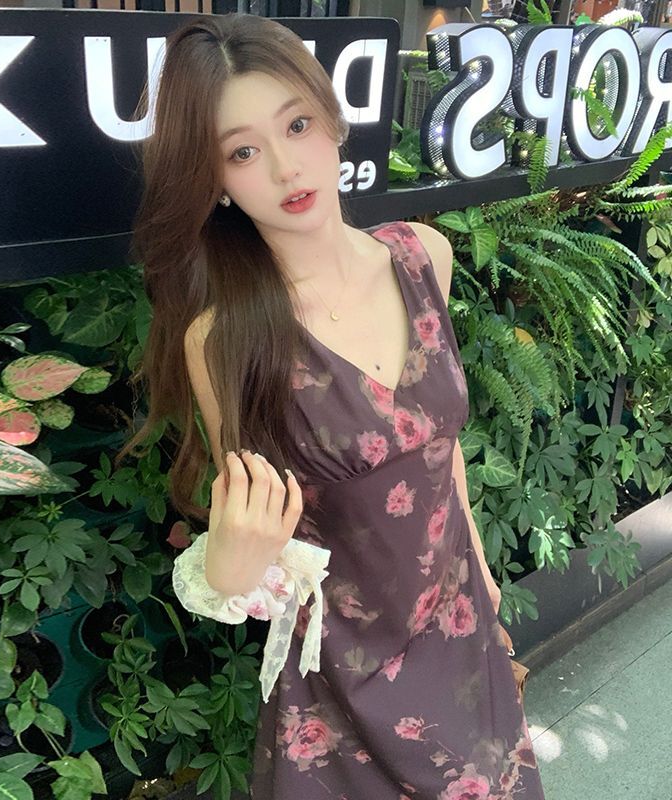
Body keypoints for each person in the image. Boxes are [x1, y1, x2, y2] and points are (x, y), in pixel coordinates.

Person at [121, 11, 546, 799]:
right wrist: (227, 568)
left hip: (460, 632)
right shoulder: (228, 338)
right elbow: (252, 545)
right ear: (215, 181)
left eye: (296, 125)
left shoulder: (423, 256)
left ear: (330, 118)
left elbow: (439, 448)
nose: (287, 168)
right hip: (347, 676)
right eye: (243, 151)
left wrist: (485, 580)